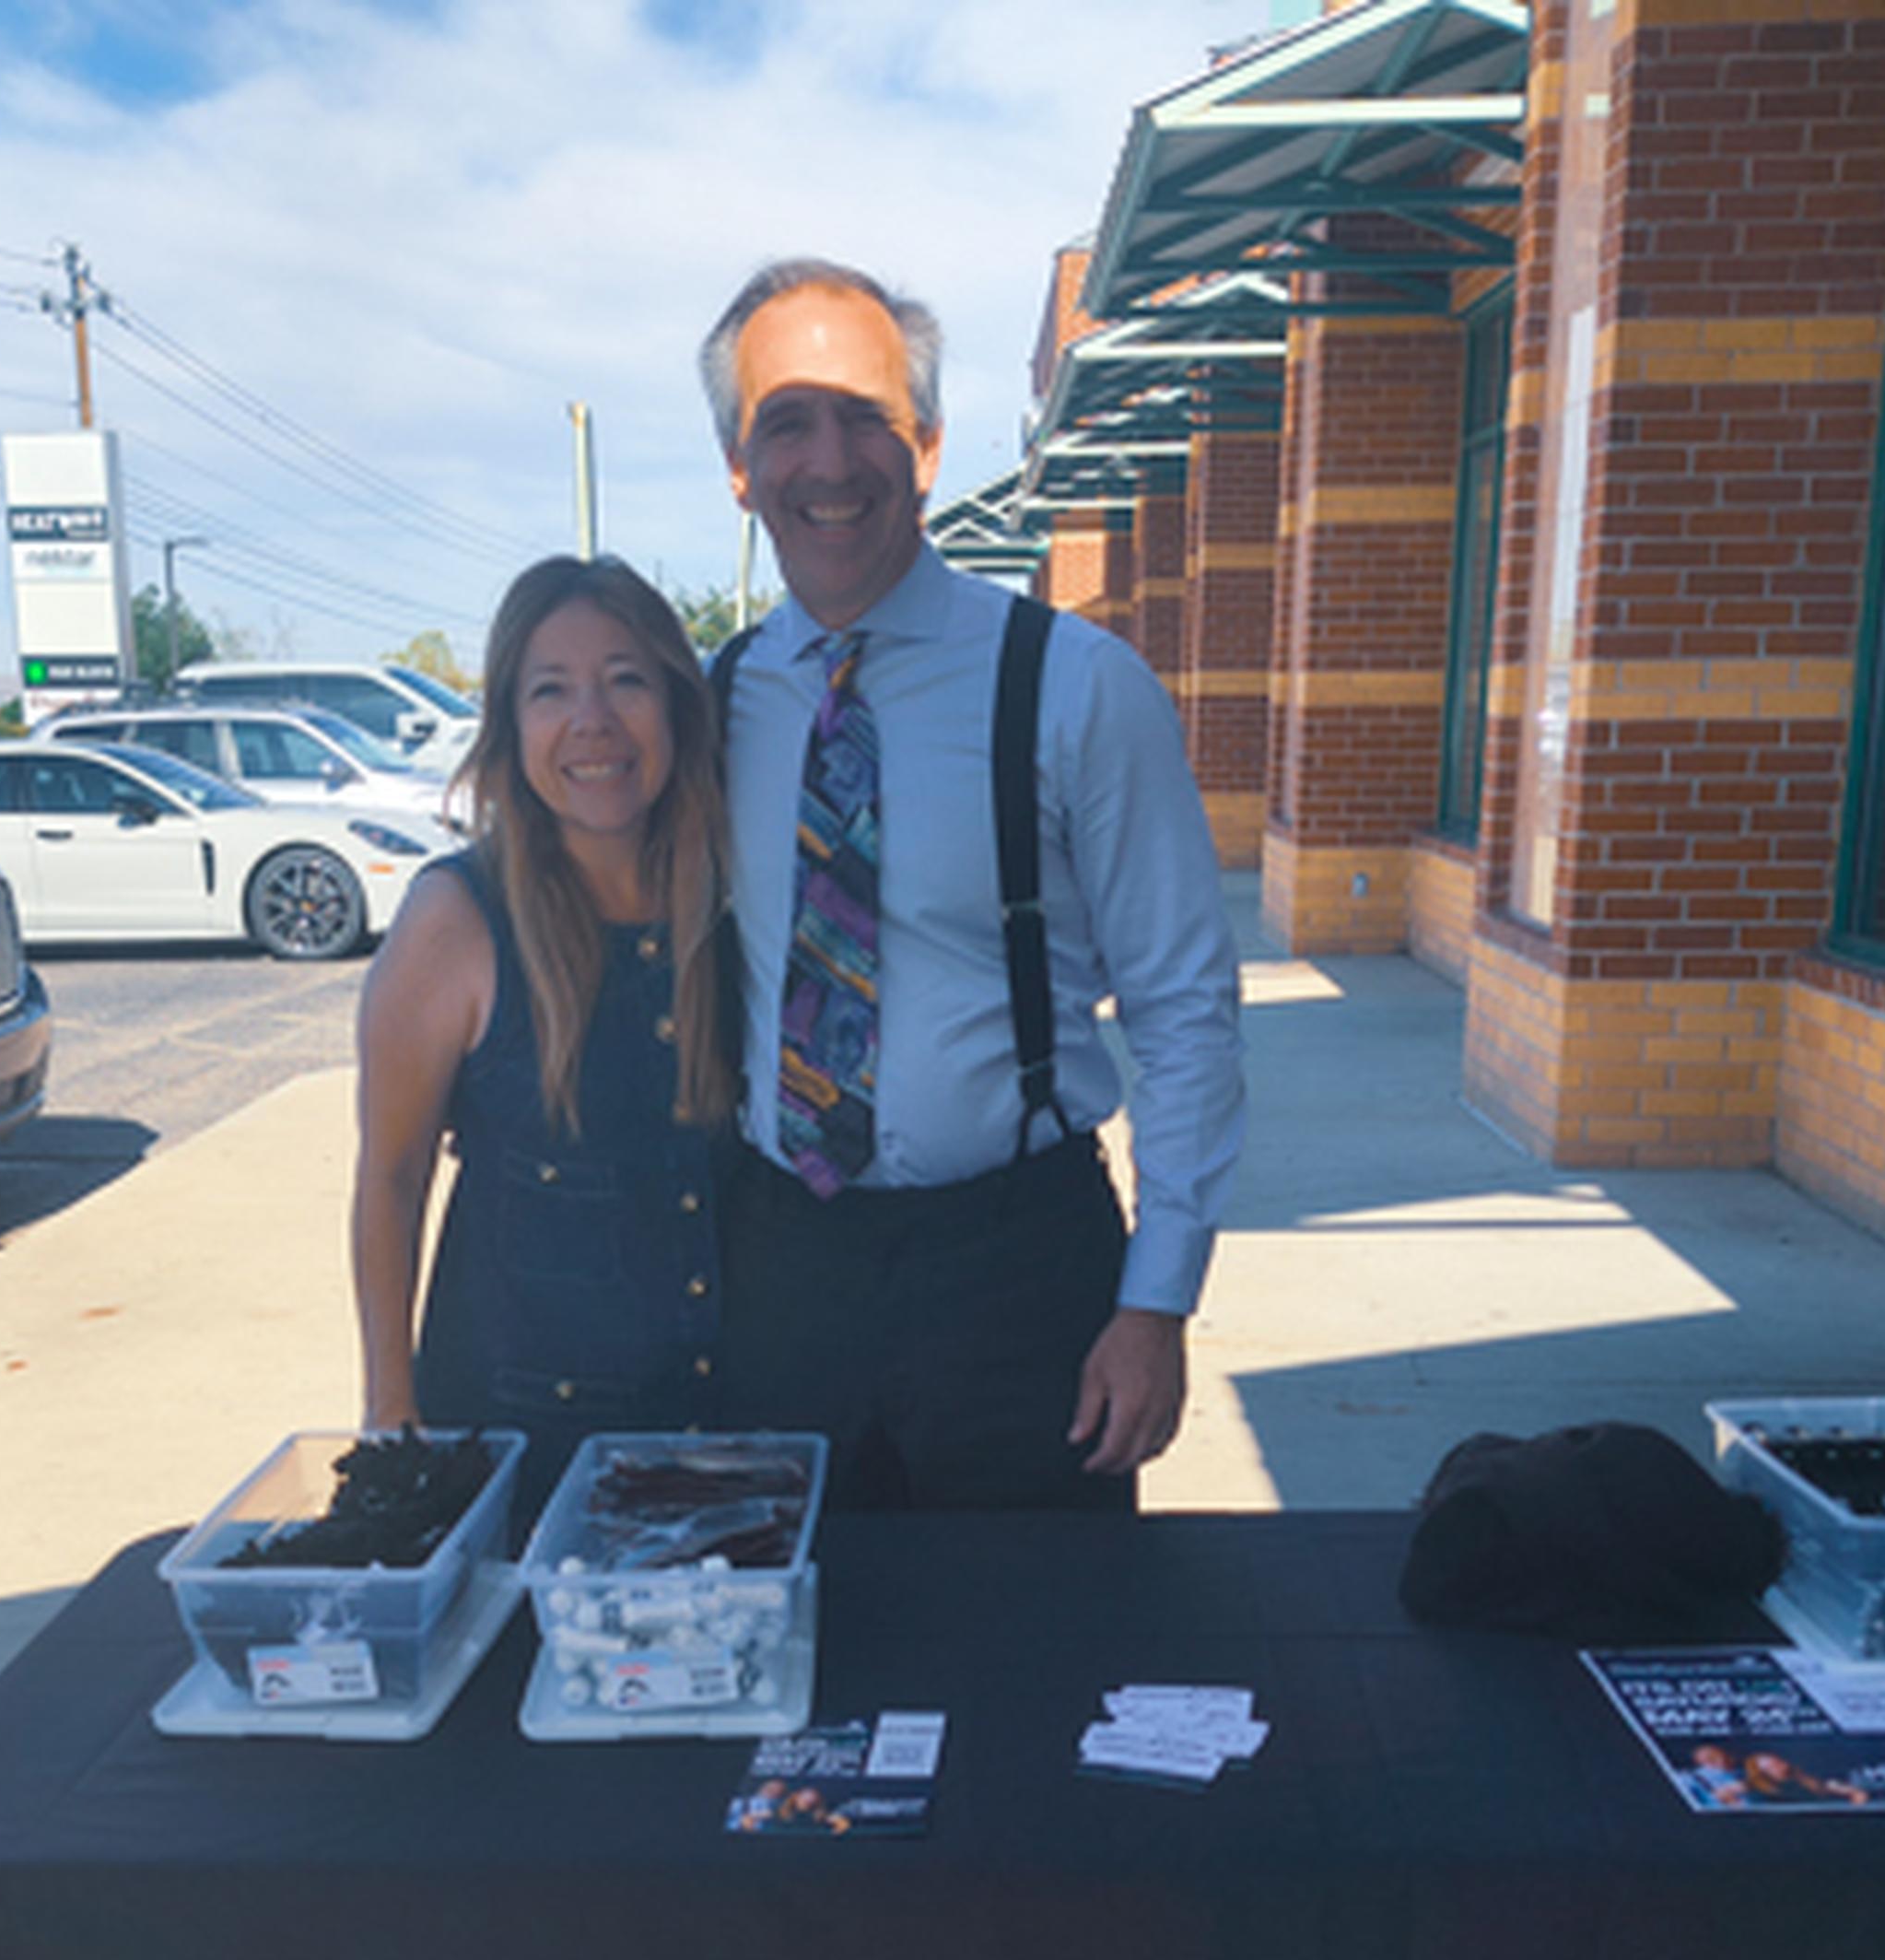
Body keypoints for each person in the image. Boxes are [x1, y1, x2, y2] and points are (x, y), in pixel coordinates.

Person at [697, 256, 1244, 1513]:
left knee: (1038, 1660)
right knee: (796, 1654)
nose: (829, 462)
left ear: (929, 448)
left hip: (1020, 1268)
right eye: (787, 421)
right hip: (781, 1262)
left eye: (868, 419)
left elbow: (1182, 1006)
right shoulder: (714, 701)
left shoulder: (1077, 687)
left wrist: (1156, 1301)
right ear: (740, 467)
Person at [352, 557, 738, 1520]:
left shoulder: (743, 903)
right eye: (551, 690)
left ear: (678, 708)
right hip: (519, 1462)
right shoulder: (454, 920)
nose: (593, 721)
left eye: (627, 680)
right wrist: (391, 1408)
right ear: (510, 727)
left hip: (734, 1452)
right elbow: (392, 1175)